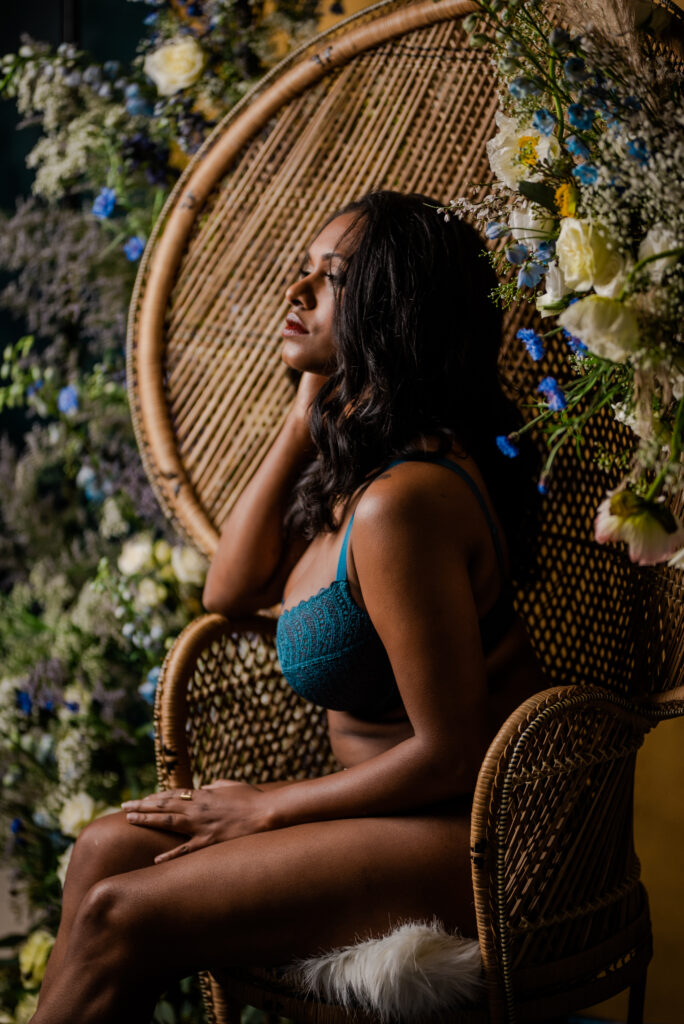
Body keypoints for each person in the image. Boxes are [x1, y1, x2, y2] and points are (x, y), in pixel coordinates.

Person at [31, 191, 545, 1024]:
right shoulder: (358, 473)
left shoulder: (401, 503)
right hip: (392, 820)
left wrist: (264, 805)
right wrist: (303, 413)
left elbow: (454, 755)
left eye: (330, 279)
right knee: (104, 849)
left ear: (392, 307)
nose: (296, 293)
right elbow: (228, 590)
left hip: (480, 840)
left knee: (117, 912)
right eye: (300, 272)